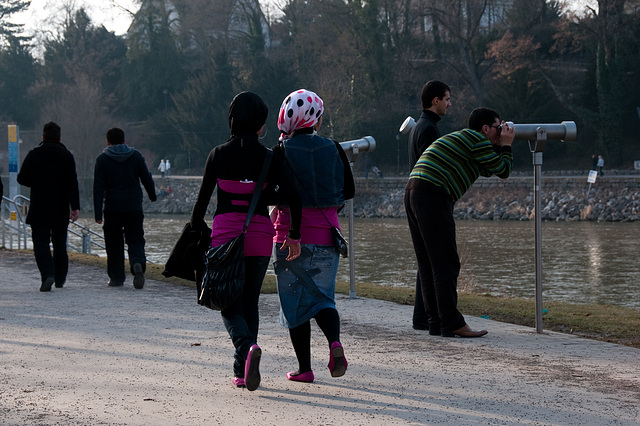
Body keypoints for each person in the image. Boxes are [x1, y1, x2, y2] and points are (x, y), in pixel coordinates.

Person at [189, 91, 302, 391]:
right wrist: (294, 234)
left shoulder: (217, 154)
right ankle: (242, 371)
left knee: (227, 300)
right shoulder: (269, 158)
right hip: (259, 235)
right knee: (249, 300)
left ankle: (245, 348)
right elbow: (293, 196)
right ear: (261, 126)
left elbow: (199, 209)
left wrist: (199, 234)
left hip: (225, 235)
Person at [404, 107, 515, 337]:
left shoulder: (466, 139)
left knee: (428, 263)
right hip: (434, 194)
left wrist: (498, 144)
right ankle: (452, 322)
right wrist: (507, 144)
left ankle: (436, 322)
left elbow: (487, 168)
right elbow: (503, 170)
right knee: (447, 262)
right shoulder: (477, 139)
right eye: (497, 127)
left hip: (414, 190)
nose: (499, 131)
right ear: (485, 128)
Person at [271, 89, 355, 383]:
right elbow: (349, 191)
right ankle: (334, 342)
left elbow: (274, 190)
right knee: (323, 299)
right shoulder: (333, 147)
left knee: (295, 303)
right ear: (316, 119)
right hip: (327, 236)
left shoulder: (281, 150)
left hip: (287, 235)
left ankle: (304, 369)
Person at [407, 80, 452, 331]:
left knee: (425, 260)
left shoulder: (419, 126)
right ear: (435, 101)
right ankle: (434, 316)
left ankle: (422, 316)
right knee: (436, 261)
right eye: (446, 99)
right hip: (428, 199)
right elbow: (432, 168)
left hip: (416, 198)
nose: (449, 103)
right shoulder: (429, 130)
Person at [17, 122, 80, 291]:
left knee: (40, 242)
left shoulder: (34, 154)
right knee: (60, 243)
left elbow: (21, 178)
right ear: (60, 138)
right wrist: (75, 207)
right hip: (60, 206)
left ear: (43, 137)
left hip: (39, 205)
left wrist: (36, 183)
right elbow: (73, 183)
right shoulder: (67, 156)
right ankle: (60, 278)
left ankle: (47, 274)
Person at [93, 128, 157, 289]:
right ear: (124, 140)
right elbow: (146, 177)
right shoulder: (135, 156)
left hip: (112, 207)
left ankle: (116, 277)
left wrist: (97, 213)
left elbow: (98, 188)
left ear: (107, 141)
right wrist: (152, 195)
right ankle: (137, 264)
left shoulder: (102, 160)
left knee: (113, 243)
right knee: (135, 239)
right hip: (133, 207)